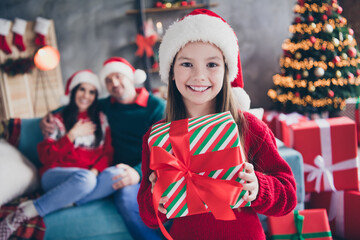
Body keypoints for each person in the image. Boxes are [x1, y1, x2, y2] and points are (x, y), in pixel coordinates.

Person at [137, 9, 297, 240]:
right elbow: (148, 216)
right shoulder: (157, 138)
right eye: (186, 64)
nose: (199, 76)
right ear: (171, 71)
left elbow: (288, 196)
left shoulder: (249, 127)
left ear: (226, 71)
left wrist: (258, 187)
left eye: (212, 64)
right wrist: (156, 197)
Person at [39, 57, 165, 240]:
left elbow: (163, 151)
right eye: (108, 79)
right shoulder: (105, 106)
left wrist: (138, 173)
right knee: (114, 189)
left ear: (130, 77)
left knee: (128, 196)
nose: (114, 83)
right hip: (113, 171)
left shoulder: (156, 107)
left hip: (146, 172)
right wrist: (48, 117)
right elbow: (77, 103)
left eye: (118, 76)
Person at [0, 70, 115, 239]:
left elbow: (107, 153)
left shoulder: (100, 119)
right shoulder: (56, 120)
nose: (86, 96)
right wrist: (71, 136)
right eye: (82, 89)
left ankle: (66, 200)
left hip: (87, 177)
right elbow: (47, 158)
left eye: (91, 92)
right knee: (86, 180)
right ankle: (28, 210)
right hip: (55, 175)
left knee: (116, 175)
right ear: (73, 91)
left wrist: (95, 171)